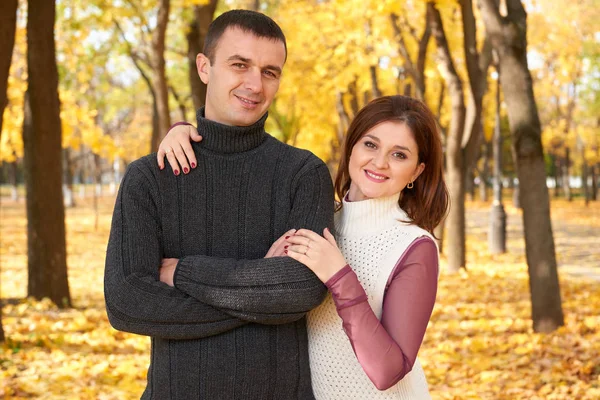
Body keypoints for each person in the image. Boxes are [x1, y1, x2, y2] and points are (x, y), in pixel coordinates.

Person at [104, 9, 334, 400]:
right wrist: (262, 287)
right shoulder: (150, 177)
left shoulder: (304, 172)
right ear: (204, 67)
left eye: (270, 71)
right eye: (239, 65)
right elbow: (127, 303)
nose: (254, 84)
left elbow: (302, 288)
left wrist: (182, 274)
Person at [159, 95, 449, 399]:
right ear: (351, 145)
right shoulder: (315, 213)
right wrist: (188, 135)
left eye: (399, 155)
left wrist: (339, 276)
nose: (379, 162)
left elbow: (388, 371)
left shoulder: (414, 246)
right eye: (371, 145)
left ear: (417, 171)